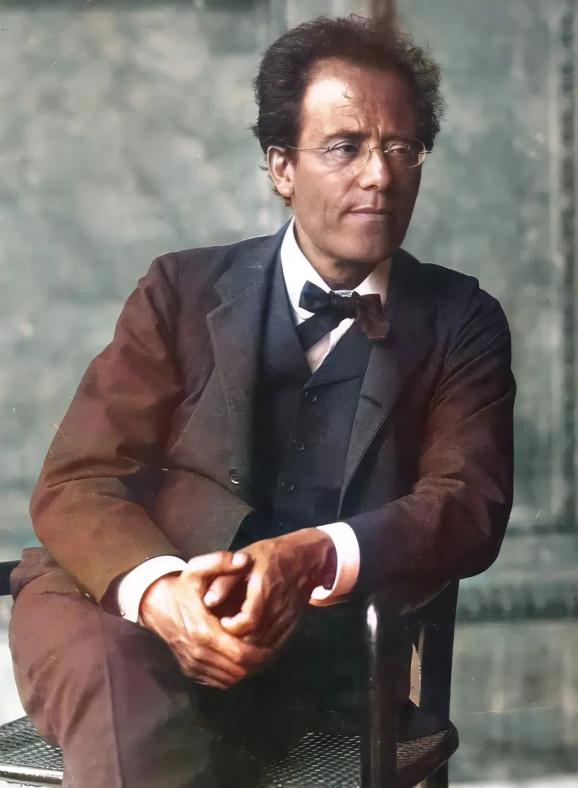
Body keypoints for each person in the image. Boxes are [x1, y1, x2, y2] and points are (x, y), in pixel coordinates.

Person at [9, 14, 515, 788]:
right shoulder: (179, 291)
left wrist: (315, 554)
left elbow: (466, 504)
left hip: (314, 650)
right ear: (281, 167)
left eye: (402, 149)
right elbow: (79, 478)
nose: (380, 177)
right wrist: (162, 593)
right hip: (115, 608)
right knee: (122, 691)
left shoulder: (460, 321)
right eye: (345, 147)